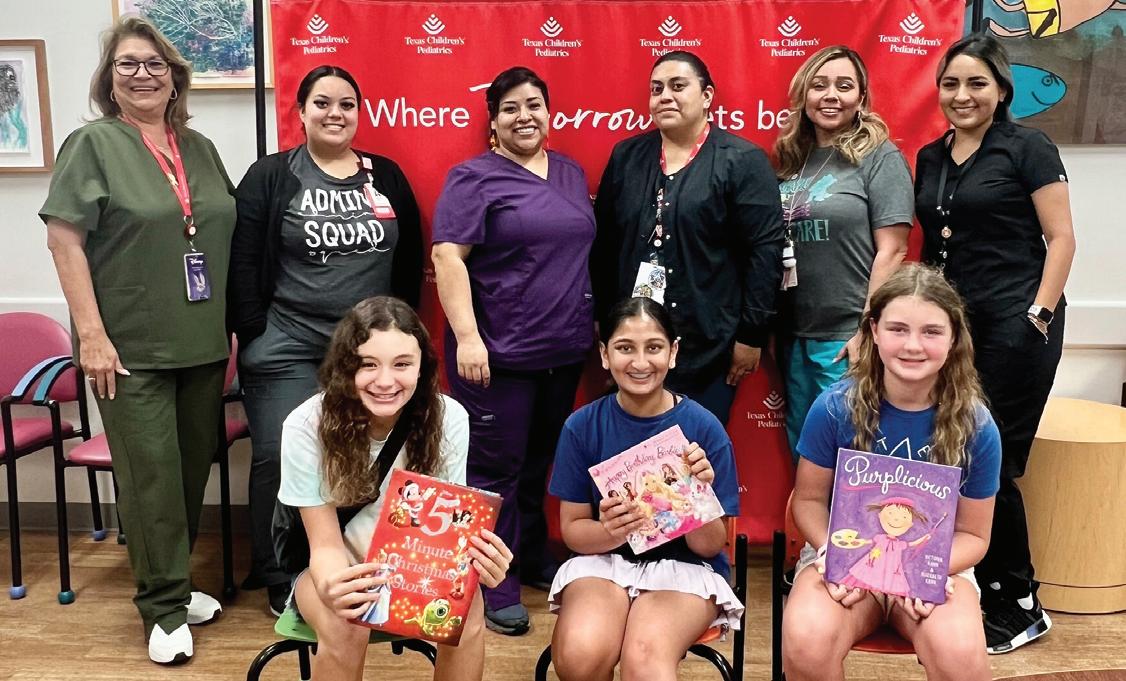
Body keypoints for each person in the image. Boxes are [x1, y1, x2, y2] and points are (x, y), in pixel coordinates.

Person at [39, 16, 234, 664]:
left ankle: (173, 585)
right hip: (127, 349)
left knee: (187, 472)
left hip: (201, 342)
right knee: (150, 477)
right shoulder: (93, 143)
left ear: (176, 78)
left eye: (155, 64)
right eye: (128, 64)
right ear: (109, 78)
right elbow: (64, 240)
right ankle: (162, 607)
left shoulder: (199, 148)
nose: (143, 74)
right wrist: (92, 336)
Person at [229, 64, 422, 615]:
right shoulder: (271, 175)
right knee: (276, 453)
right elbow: (243, 262)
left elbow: (409, 257)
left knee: (363, 454)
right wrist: (255, 334)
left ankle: (350, 562)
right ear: (301, 111)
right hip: (287, 343)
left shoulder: (385, 175)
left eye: (346, 104)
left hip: (366, 352)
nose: (335, 113)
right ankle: (280, 571)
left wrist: (398, 334)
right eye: (322, 103)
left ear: (359, 113)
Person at [914, 33, 1075, 653]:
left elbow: (1061, 237)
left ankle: (1021, 601)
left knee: (994, 460)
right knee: (951, 453)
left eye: (976, 83)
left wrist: (1038, 315)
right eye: (951, 83)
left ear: (1002, 90)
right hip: (953, 330)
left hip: (1017, 327)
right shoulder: (931, 156)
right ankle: (975, 582)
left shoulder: (1029, 147)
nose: (962, 95)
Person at [431, 66, 595, 635]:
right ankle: (493, 578)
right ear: (493, 122)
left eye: (534, 105)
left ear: (549, 113)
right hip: (495, 354)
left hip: (563, 348)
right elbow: (447, 257)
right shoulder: (472, 178)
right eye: (510, 108)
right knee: (492, 470)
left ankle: (527, 552)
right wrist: (468, 337)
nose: (524, 116)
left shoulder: (570, 173)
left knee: (538, 463)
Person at [782, 264, 1001, 681]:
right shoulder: (834, 408)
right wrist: (837, 554)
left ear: (954, 338)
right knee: (807, 638)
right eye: (898, 329)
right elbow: (808, 501)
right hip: (841, 556)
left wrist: (920, 570)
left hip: (936, 564)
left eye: (931, 332)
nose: (913, 345)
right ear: (874, 331)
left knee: (959, 653)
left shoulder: (976, 426)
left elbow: (974, 536)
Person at [277, 296, 513, 681]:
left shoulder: (449, 418)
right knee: (347, 620)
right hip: (332, 564)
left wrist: (482, 561)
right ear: (345, 367)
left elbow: (446, 536)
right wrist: (336, 587)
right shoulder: (305, 426)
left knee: (468, 605)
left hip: (414, 566)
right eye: (368, 364)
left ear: (422, 367)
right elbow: (324, 547)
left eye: (402, 364)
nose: (385, 381)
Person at [547, 297, 743, 681]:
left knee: (644, 661)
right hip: (603, 562)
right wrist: (610, 531)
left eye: (654, 347)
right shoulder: (581, 426)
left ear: (673, 353)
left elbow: (710, 546)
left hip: (686, 568)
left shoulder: (704, 429)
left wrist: (698, 497)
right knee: (580, 655)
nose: (640, 362)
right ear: (604, 355)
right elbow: (573, 531)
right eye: (625, 348)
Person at [591, 50, 784, 424]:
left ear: (707, 96)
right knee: (634, 450)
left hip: (710, 342)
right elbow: (605, 246)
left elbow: (764, 253)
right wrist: (603, 319)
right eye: (656, 89)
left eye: (678, 86)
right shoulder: (627, 156)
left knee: (693, 450)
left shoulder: (742, 160)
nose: (665, 96)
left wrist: (752, 336)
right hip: (635, 344)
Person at [772, 46, 913, 456]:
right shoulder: (792, 160)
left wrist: (867, 329)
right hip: (793, 332)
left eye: (844, 85)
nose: (830, 95)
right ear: (804, 95)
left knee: (851, 453)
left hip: (845, 334)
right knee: (805, 451)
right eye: (819, 85)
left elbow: (893, 250)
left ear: (861, 98)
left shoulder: (879, 157)